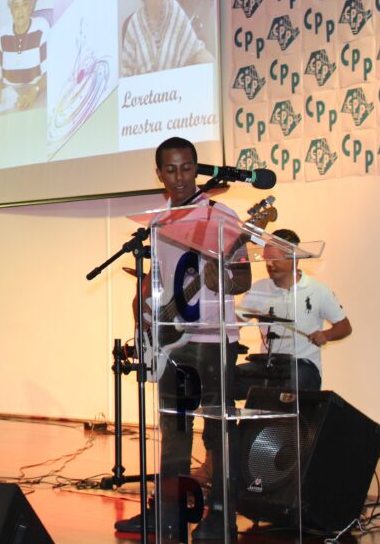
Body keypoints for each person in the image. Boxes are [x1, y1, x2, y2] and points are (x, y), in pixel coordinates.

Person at [123, 137, 250, 540]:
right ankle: (168, 515)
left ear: (198, 169)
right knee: (174, 435)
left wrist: (224, 280)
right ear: (159, 174)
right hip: (172, 342)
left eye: (187, 168)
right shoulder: (158, 221)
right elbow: (158, 278)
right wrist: (143, 308)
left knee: (217, 433)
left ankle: (220, 517)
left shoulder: (222, 215)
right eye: (171, 169)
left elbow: (243, 278)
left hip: (214, 341)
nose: (180, 177)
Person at [236, 228, 351, 394]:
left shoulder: (318, 291)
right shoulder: (259, 289)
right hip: (267, 365)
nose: (269, 264)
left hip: (303, 365)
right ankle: (234, 420)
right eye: (266, 259)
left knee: (295, 379)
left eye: (275, 259)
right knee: (229, 379)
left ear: (294, 257)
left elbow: (345, 327)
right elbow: (236, 321)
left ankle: (286, 417)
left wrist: (325, 335)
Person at [120, 0, 213, 77]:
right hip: (144, 96)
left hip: (175, 93)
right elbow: (126, 74)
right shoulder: (134, 25)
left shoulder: (175, 11)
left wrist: (217, 68)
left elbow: (196, 51)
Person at [0, 0, 49, 115]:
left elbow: (49, 70)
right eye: (16, 6)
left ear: (32, 6)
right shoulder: (3, 32)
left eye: (24, 4)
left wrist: (34, 92)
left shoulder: (41, 27)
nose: (20, 11)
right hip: (9, 100)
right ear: (11, 10)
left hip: (35, 94)